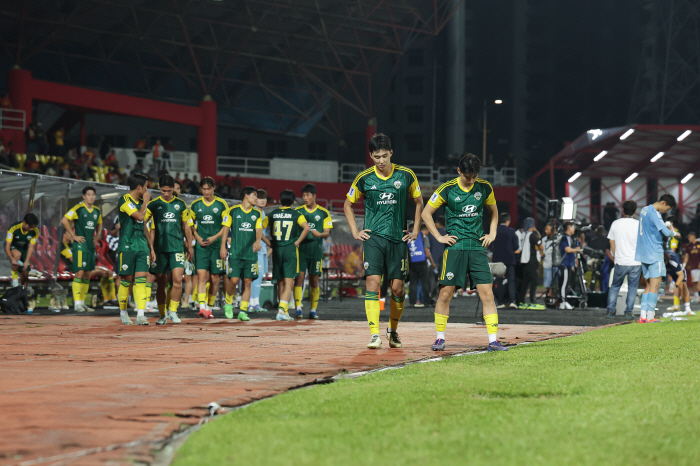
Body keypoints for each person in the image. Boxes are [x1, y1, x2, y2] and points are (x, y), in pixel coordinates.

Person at [344, 133, 423, 349]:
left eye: (384, 156)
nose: (381, 161)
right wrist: (354, 231)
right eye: (376, 156)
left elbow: (419, 202)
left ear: (391, 153)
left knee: (398, 289)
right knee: (373, 283)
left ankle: (393, 331)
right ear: (371, 155)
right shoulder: (364, 178)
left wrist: (415, 230)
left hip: (398, 240)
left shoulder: (406, 175)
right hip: (374, 239)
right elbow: (347, 205)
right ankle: (374, 334)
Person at [421, 153, 506, 352]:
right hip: (455, 249)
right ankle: (440, 338)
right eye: (468, 176)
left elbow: (494, 211)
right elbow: (426, 213)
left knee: (488, 295)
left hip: (477, 248)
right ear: (459, 171)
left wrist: (492, 232)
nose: (471, 180)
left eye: (475, 176)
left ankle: (493, 340)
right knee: (445, 294)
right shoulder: (447, 189)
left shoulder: (484, 187)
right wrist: (439, 237)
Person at [145, 175, 193, 325]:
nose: (165, 193)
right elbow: (144, 223)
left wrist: (189, 245)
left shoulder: (181, 204)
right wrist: (150, 247)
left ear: (173, 188)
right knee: (161, 282)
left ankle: (173, 311)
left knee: (178, 280)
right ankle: (161, 315)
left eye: (168, 190)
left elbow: (186, 226)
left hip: (177, 248)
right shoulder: (153, 205)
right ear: (159, 188)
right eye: (163, 190)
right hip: (159, 250)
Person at [220, 186, 264, 321]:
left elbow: (258, 229)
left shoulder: (257, 214)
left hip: (251, 254)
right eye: (254, 195)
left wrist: (258, 241)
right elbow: (226, 229)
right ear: (246, 195)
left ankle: (243, 311)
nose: (256, 198)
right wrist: (223, 247)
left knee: (248, 281)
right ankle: (228, 303)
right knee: (233, 280)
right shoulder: (232, 211)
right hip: (235, 253)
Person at [115, 174, 153, 325]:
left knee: (141, 280)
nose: (146, 189)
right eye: (145, 186)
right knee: (126, 280)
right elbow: (138, 216)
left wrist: (151, 248)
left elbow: (144, 225)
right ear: (139, 187)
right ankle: (123, 313)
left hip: (142, 246)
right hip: (128, 245)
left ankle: (141, 315)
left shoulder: (139, 202)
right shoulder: (124, 200)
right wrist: (145, 202)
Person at [635, 194, 679, 323]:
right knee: (655, 286)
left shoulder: (644, 209)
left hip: (643, 253)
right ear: (663, 203)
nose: (666, 211)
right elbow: (666, 233)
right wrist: (674, 233)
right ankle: (650, 317)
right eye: (667, 209)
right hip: (654, 252)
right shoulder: (655, 213)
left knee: (648, 285)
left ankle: (643, 316)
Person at [267, 189, 310, 321]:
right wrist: (297, 242)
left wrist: (269, 243)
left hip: (277, 248)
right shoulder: (296, 214)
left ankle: (284, 310)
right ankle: (281, 311)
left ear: (280, 201)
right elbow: (307, 228)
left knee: (280, 282)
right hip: (290, 249)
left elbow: (259, 228)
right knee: (289, 282)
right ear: (293, 202)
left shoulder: (273, 213)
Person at [190, 177, 229, 318]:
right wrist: (197, 237)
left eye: (208, 189)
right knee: (201, 276)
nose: (206, 192)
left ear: (214, 188)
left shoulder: (222, 204)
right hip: (201, 246)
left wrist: (215, 239)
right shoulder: (195, 205)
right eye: (203, 189)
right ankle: (202, 307)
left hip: (217, 246)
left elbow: (225, 226)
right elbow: (190, 224)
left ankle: (210, 308)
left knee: (215, 279)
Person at [293, 184, 333, 319]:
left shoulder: (323, 212)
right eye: (303, 195)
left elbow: (327, 233)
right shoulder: (298, 211)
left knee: (314, 280)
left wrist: (319, 234)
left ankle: (313, 310)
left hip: (316, 251)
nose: (305, 198)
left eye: (308, 195)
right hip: (301, 250)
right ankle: (298, 308)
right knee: (299, 278)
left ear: (314, 196)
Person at [61, 186, 103, 312]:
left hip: (90, 245)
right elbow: (64, 220)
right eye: (89, 194)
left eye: (93, 195)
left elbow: (100, 223)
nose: (91, 197)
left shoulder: (96, 211)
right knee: (79, 272)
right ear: (84, 196)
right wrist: (73, 236)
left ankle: (82, 302)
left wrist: (98, 235)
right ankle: (77, 303)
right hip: (80, 245)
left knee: (87, 274)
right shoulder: (78, 209)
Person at [605, 201, 642, 318]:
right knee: (632, 288)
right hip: (635, 262)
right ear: (635, 211)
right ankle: (628, 312)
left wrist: (616, 254)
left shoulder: (616, 223)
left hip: (620, 261)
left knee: (615, 286)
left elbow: (611, 240)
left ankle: (610, 311)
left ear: (622, 210)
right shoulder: (639, 224)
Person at [490, 213, 520, 309]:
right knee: (510, 280)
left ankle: (500, 302)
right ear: (508, 221)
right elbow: (516, 246)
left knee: (498, 280)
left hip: (497, 259)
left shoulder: (494, 231)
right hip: (510, 259)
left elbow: (491, 246)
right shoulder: (512, 232)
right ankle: (512, 301)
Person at [5, 213, 40, 291]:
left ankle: (22, 293)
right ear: (24, 222)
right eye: (30, 227)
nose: (31, 229)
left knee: (25, 274)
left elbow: (31, 247)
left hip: (24, 249)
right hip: (13, 247)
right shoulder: (13, 228)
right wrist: (12, 258)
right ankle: (14, 281)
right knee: (17, 254)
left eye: (33, 227)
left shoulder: (35, 231)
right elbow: (7, 247)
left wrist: (26, 261)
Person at [249, 189, 270, 312]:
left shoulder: (262, 213)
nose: (263, 200)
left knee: (258, 275)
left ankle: (253, 303)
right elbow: (258, 231)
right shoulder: (256, 213)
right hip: (257, 247)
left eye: (265, 198)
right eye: (260, 198)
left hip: (261, 248)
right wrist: (269, 243)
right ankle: (253, 303)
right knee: (256, 275)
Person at [517, 217, 543, 309]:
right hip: (532, 261)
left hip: (524, 262)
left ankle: (521, 302)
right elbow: (540, 244)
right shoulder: (531, 235)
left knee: (525, 283)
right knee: (535, 281)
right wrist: (541, 251)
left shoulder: (523, 234)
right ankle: (533, 302)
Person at [407, 223, 433, 308]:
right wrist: (432, 263)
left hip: (412, 262)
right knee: (425, 282)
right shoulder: (423, 236)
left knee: (413, 283)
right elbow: (426, 251)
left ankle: (412, 302)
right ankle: (426, 302)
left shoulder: (406, 237)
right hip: (422, 261)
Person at [664, 251, 694, 315]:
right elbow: (668, 273)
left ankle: (688, 308)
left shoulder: (673, 262)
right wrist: (672, 282)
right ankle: (676, 305)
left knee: (682, 287)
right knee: (675, 288)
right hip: (671, 271)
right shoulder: (660, 260)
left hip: (679, 272)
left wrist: (676, 285)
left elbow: (681, 275)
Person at [559, 222, 580, 310]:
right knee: (564, 283)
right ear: (569, 228)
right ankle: (563, 302)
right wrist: (576, 249)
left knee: (566, 283)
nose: (574, 229)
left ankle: (564, 301)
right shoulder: (565, 238)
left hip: (568, 264)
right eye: (573, 227)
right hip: (565, 263)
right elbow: (567, 249)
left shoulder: (569, 238)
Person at [682, 231, 700, 302]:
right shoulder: (688, 246)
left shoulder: (699, 244)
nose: (688, 239)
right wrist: (684, 265)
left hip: (699, 266)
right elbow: (686, 256)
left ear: (693, 237)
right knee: (695, 282)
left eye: (689, 237)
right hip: (693, 266)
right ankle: (696, 297)